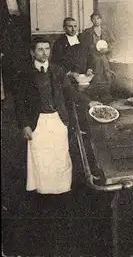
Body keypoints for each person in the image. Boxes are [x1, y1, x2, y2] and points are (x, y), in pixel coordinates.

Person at [13, 40, 100, 205]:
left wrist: (88, 102)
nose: (44, 53)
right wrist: (24, 124)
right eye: (40, 49)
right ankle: (43, 191)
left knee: (60, 155)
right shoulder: (24, 73)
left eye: (47, 49)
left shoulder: (58, 70)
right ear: (32, 52)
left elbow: (70, 91)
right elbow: (19, 102)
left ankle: (62, 190)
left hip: (58, 119)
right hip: (37, 121)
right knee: (40, 156)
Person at [80, 11, 116, 102]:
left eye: (98, 18)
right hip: (92, 58)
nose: (96, 21)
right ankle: (95, 98)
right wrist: (86, 65)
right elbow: (83, 49)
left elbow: (113, 43)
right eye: (94, 18)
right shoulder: (87, 32)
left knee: (106, 75)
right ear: (91, 20)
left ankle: (106, 97)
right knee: (95, 77)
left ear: (101, 19)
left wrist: (107, 50)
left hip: (104, 57)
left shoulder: (106, 30)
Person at [51, 17, 93, 83]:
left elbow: (90, 57)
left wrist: (89, 69)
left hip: (84, 77)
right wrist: (69, 73)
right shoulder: (59, 43)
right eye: (70, 26)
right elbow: (55, 63)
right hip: (67, 79)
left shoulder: (83, 40)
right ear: (64, 28)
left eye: (75, 26)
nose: (73, 29)